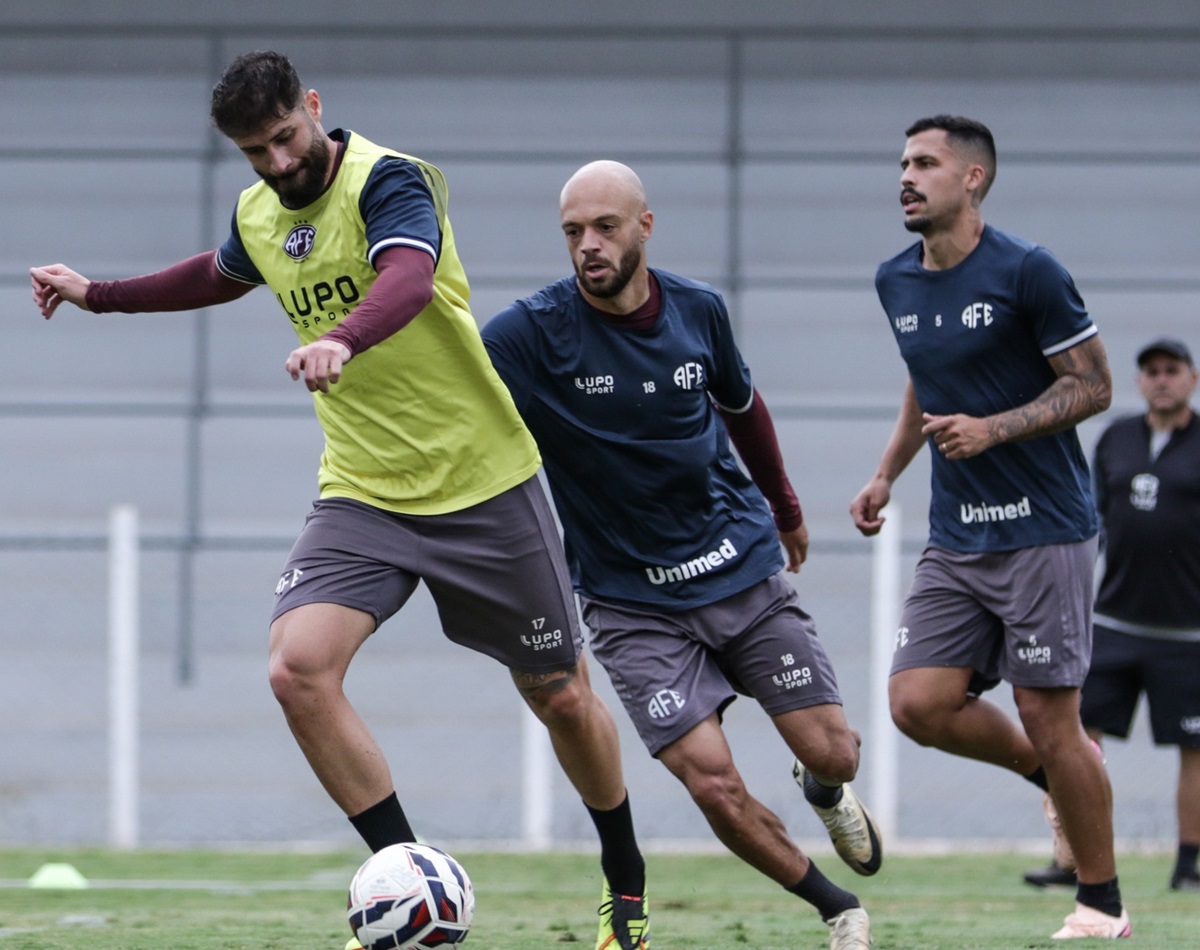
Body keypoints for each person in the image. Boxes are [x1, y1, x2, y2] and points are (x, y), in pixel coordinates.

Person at [29, 51, 650, 950]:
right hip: (362, 490)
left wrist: (344, 339)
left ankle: (625, 883)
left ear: (313, 106)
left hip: (481, 482)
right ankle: (410, 884)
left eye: (286, 137)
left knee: (559, 696)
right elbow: (218, 273)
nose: (278, 162)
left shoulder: (390, 182)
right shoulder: (259, 212)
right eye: (256, 151)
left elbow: (406, 277)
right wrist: (99, 296)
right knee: (297, 671)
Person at [482, 160, 879, 950]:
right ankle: (839, 910)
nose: (588, 246)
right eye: (572, 232)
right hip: (630, 604)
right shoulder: (531, 333)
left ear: (645, 226)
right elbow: (450, 376)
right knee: (713, 782)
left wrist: (787, 508)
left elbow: (743, 407)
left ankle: (824, 789)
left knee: (835, 751)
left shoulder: (699, 310)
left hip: (737, 568)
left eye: (604, 228)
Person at [850, 115, 1131, 940]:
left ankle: (1102, 904)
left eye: (925, 163)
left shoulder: (1028, 270)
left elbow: (1095, 386)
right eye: (902, 163)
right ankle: (1053, 776)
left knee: (1049, 711)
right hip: (956, 535)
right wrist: (885, 472)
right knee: (917, 703)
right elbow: (925, 379)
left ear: (972, 179)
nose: (906, 177)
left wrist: (994, 429)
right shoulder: (894, 280)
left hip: (1044, 530)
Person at [1024, 336, 1200, 893]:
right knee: (1075, 736)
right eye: (1152, 371)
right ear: (1140, 381)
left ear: (1192, 379)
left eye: (1172, 369)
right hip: (1112, 623)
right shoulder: (1116, 438)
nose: (1162, 379)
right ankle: (1073, 857)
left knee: (1194, 749)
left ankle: (1189, 865)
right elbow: (1089, 516)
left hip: (1189, 632)